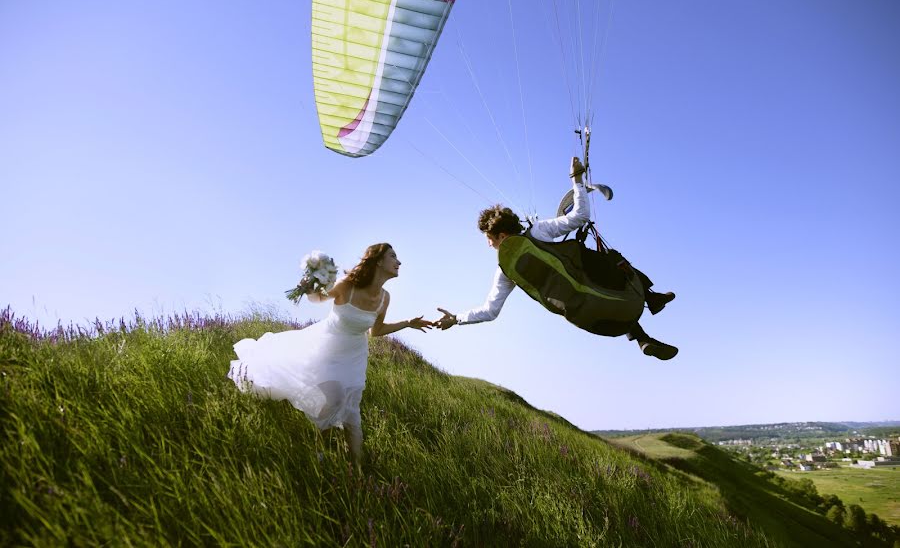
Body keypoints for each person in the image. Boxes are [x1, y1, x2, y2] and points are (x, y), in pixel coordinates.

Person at [434, 157, 679, 360]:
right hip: (606, 286)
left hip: (587, 317)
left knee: (595, 294)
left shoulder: (505, 271)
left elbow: (490, 311)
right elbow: (581, 216)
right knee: (609, 260)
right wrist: (577, 180)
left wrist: (456, 319)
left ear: (500, 235)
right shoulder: (538, 231)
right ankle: (651, 297)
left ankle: (643, 337)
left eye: (489, 238)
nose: (488, 244)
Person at [228, 243, 431, 467]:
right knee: (333, 400)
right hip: (326, 349)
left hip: (354, 357)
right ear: (378, 261)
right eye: (393, 256)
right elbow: (319, 298)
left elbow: (376, 331)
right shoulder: (347, 286)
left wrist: (408, 323)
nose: (399, 262)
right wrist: (309, 286)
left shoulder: (385, 298)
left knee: (352, 417)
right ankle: (318, 453)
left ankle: (357, 474)